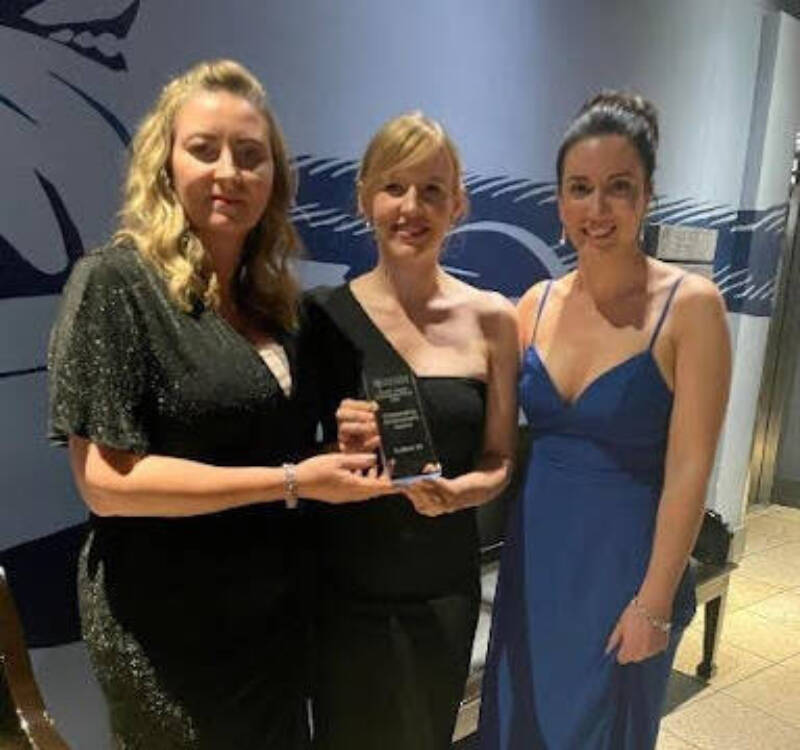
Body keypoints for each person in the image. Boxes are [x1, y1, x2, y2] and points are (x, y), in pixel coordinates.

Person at [47, 59, 391, 749]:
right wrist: (292, 482)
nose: (229, 172)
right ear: (164, 163)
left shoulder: (277, 304)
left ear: (274, 179)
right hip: (170, 634)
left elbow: (282, 441)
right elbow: (108, 484)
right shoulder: (116, 284)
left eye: (250, 155)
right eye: (204, 149)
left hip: (274, 623)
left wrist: (343, 439)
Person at [478, 91, 732, 749]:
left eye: (618, 188)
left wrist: (653, 602)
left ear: (647, 195)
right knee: (517, 727)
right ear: (559, 202)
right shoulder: (532, 304)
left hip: (625, 571)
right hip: (535, 567)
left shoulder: (692, 308)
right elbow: (496, 442)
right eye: (580, 188)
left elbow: (690, 470)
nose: (597, 209)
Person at [302, 112, 519, 750]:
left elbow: (500, 460)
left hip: (440, 595)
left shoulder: (494, 321)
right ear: (366, 195)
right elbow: (295, 468)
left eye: (431, 190)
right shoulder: (321, 318)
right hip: (343, 593)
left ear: (458, 205)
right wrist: (333, 449)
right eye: (394, 187)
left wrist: (462, 493)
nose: (411, 207)